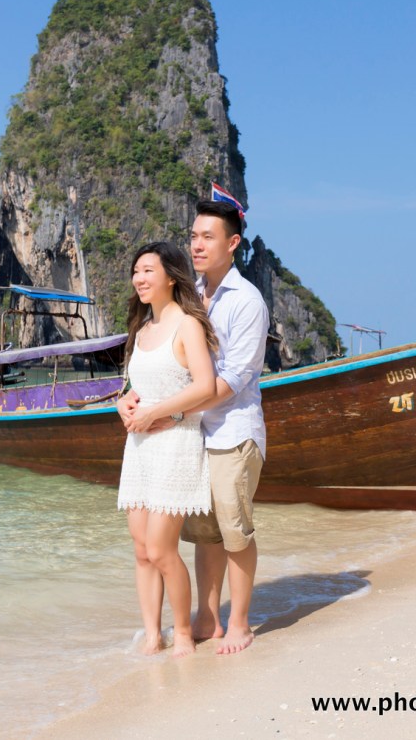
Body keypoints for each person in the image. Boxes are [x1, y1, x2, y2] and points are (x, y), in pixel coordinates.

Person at [119, 199, 269, 655]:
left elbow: (233, 379)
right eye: (193, 237)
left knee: (234, 529)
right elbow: (159, 369)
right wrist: (131, 400)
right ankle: (207, 617)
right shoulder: (191, 296)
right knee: (204, 534)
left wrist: (170, 414)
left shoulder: (246, 301)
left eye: (208, 237)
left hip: (231, 431)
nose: (197, 245)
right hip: (190, 435)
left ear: (233, 243)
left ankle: (239, 622)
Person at [117, 241, 218, 658]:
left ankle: (182, 632)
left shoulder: (187, 325)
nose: (139, 279)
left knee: (161, 549)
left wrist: (157, 412)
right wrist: (123, 402)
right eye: (136, 271)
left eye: (148, 271)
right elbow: (138, 385)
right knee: (142, 550)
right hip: (140, 446)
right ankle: (152, 635)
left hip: (176, 443)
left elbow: (205, 386)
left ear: (172, 278)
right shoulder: (142, 329)